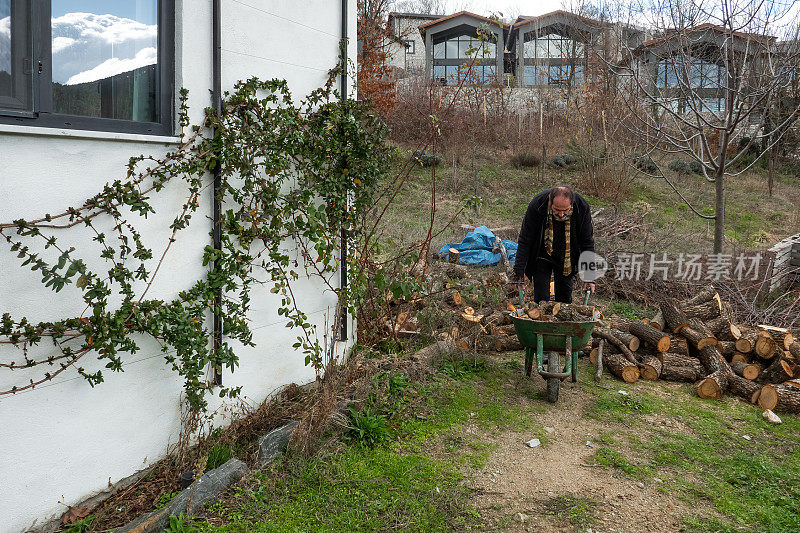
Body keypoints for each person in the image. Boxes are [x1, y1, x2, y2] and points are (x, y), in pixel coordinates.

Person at [512, 185, 595, 303]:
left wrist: (589, 276)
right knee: (541, 298)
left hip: (566, 257)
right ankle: (541, 318)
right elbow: (525, 240)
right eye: (557, 210)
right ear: (550, 202)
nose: (561, 215)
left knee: (564, 298)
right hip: (542, 254)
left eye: (565, 210)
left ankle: (563, 321)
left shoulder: (581, 207)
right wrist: (518, 273)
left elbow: (587, 242)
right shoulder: (538, 204)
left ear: (572, 204)